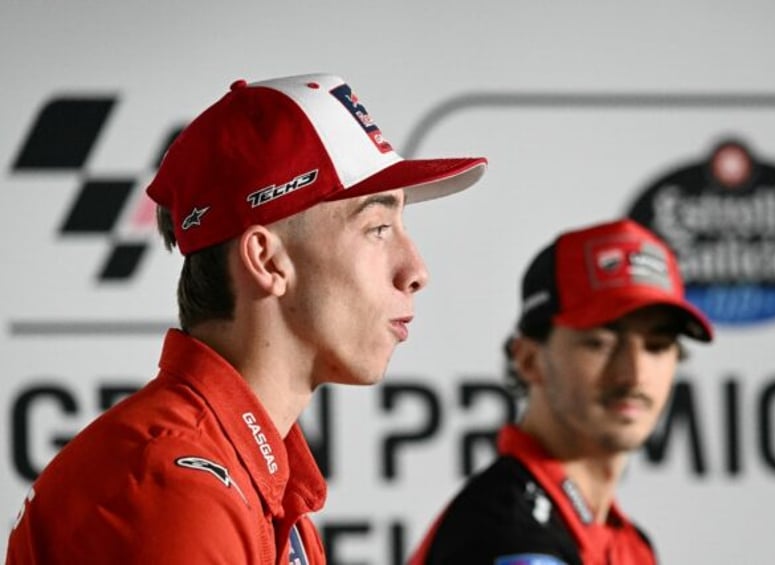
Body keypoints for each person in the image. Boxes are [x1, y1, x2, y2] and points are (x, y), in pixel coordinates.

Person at [6, 73, 486, 564]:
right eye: (378, 228)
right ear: (267, 260)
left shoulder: (252, 476)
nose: (416, 271)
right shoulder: (177, 486)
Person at [409, 218, 713, 565]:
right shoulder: (509, 531)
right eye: (600, 342)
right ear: (528, 360)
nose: (634, 374)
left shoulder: (629, 543)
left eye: (657, 346)